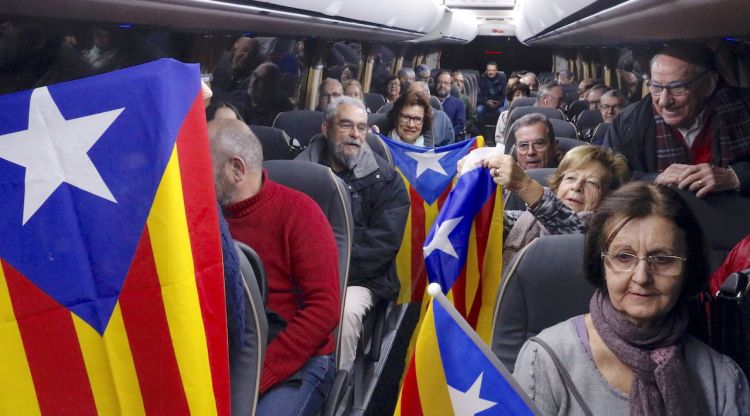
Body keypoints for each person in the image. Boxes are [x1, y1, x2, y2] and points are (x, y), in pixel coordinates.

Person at [513, 181, 750, 415]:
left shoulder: (723, 378)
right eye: (624, 257)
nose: (642, 277)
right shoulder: (544, 360)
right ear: (602, 263)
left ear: (688, 269)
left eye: (663, 259)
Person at [208, 119, 340, 416]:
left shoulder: (300, 213)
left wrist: (259, 374)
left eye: (205, 169)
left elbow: (324, 309)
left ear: (237, 169)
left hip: (295, 358)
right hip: (227, 355)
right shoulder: (203, 219)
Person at [295, 96, 410, 370]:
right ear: (326, 129)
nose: (356, 135)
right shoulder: (299, 174)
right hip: (300, 271)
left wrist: (328, 271)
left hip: (359, 278)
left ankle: (332, 392)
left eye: (361, 127)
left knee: (343, 313)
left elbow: (381, 248)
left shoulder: (388, 182)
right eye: (346, 125)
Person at [603, 44, 750, 197]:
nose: (664, 101)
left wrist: (735, 177)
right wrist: (654, 179)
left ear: (709, 84)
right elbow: (605, 175)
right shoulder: (627, 124)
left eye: (677, 88)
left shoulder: (744, 108)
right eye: (656, 88)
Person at [485, 145, 629, 271]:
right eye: (570, 178)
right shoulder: (526, 220)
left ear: (607, 199)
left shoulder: (604, 238)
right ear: (557, 186)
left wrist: (524, 185)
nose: (577, 186)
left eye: (592, 183)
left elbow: (577, 236)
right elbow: (489, 221)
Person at [237, 62, 294, 126]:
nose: (254, 82)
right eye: (254, 75)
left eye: (260, 79)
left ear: (272, 87)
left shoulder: (277, 118)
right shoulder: (236, 99)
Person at [434, 70, 466, 137]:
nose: (442, 85)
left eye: (446, 83)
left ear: (451, 86)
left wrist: (446, 136)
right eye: (439, 82)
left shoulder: (459, 104)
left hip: (449, 141)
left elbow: (459, 125)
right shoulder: (429, 101)